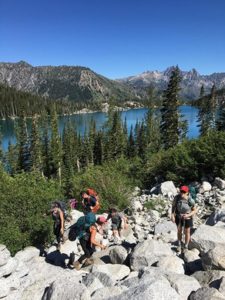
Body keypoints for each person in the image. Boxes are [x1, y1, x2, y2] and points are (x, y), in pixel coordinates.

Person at [171, 185, 197, 252]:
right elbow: (173, 207)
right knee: (179, 230)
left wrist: (188, 215)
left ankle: (186, 246)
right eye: (181, 191)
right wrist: (172, 215)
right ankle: (179, 245)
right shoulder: (177, 198)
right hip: (178, 216)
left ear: (187, 192)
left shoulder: (190, 200)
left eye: (184, 192)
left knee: (187, 232)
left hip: (187, 217)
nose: (182, 193)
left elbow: (194, 210)